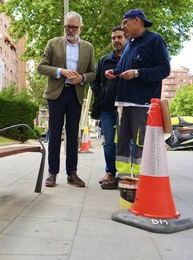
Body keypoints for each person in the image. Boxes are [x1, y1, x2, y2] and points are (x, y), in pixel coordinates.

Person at [104, 9, 170, 189]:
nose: (123, 27)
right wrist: (114, 72)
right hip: (123, 103)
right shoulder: (130, 43)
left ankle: (143, 181)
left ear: (137, 21)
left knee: (141, 144)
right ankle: (124, 179)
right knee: (122, 143)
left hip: (143, 104)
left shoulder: (155, 40)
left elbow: (164, 70)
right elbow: (123, 66)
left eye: (125, 23)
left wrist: (137, 73)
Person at [38, 11, 96, 187]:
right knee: (54, 134)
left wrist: (83, 78)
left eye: (74, 27)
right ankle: (52, 173)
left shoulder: (88, 48)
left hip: (75, 94)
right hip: (57, 93)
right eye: (67, 26)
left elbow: (93, 72)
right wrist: (60, 71)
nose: (70, 30)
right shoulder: (53, 43)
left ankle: (72, 173)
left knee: (73, 135)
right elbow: (41, 67)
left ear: (80, 28)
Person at [90, 26, 126, 189]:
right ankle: (110, 172)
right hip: (107, 108)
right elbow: (94, 80)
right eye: (113, 38)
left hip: (128, 106)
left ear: (126, 38)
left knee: (127, 142)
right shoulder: (104, 60)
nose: (116, 40)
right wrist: (100, 94)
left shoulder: (130, 58)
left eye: (119, 37)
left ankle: (126, 174)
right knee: (109, 142)